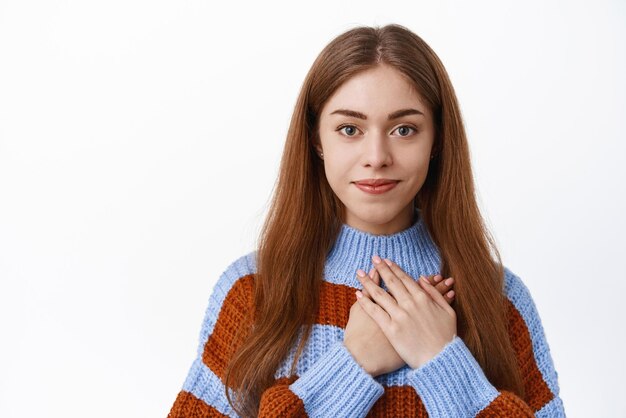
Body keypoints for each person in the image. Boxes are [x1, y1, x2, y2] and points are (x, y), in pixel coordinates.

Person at [167, 23, 566, 417]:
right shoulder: (252, 290)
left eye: (404, 129)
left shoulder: (499, 297)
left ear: (438, 141)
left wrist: (442, 363)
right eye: (349, 129)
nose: (377, 156)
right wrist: (351, 364)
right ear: (316, 140)